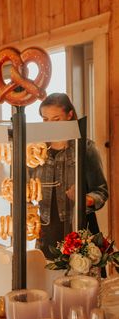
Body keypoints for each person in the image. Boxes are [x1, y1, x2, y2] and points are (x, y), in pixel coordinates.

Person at [28, 93, 108, 260]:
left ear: (69, 115)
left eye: (56, 119)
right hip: (46, 234)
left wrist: (84, 199)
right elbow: (26, 190)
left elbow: (101, 191)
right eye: (45, 119)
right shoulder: (36, 152)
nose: (50, 125)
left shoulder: (85, 148)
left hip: (79, 232)